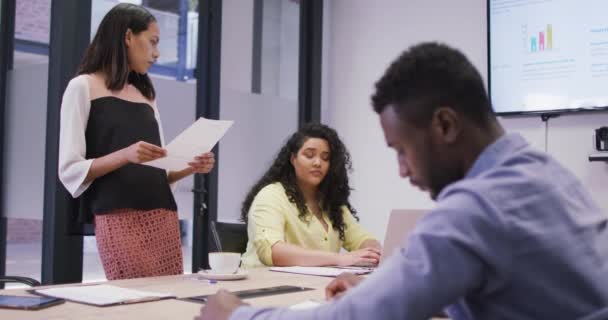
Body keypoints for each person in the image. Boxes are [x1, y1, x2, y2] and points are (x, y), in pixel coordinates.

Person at [197, 42, 608, 320]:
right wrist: (395, 287)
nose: (403, 170)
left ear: (445, 125)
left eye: (401, 150)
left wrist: (236, 314)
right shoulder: (542, 171)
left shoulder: (476, 208)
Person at [58, 3, 215, 280]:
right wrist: (125, 155)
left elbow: (160, 172)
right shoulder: (82, 87)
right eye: (152, 42)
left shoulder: (146, 94)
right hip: (118, 218)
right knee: (134, 300)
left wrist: (191, 166)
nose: (157, 53)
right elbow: (70, 169)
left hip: (163, 216)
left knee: (169, 300)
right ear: (128, 37)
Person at [239, 123, 381, 268]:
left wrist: (374, 252)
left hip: (315, 285)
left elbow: (361, 238)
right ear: (293, 159)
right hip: (265, 286)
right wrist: (339, 259)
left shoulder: (331, 203)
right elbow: (273, 251)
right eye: (309, 155)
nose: (318, 163)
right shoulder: (271, 196)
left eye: (325, 158)